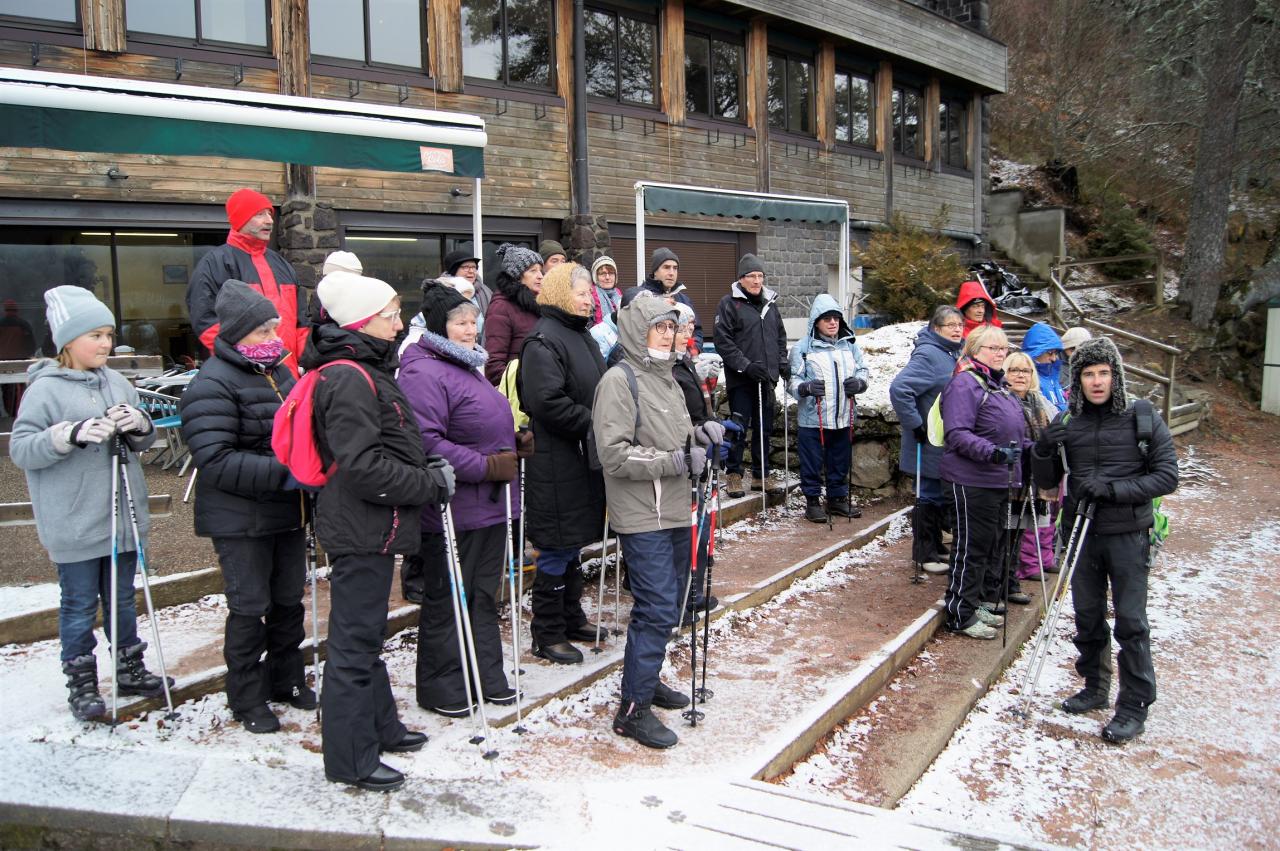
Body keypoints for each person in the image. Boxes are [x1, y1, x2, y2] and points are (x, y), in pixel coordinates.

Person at [304, 272, 451, 792]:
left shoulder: (368, 367)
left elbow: (388, 443)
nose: (398, 321)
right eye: (390, 313)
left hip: (375, 525)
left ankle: (381, 726)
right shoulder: (348, 376)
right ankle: (350, 757)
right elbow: (363, 466)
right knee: (352, 644)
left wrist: (423, 459)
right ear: (362, 321)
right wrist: (428, 481)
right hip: (360, 527)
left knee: (367, 636)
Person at [11, 286, 169, 721]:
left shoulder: (118, 382)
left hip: (121, 519)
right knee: (79, 603)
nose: (105, 344)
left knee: (122, 597)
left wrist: (139, 423)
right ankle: (81, 680)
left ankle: (129, 666)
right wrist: (67, 435)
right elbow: (22, 449)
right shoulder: (44, 390)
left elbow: (143, 442)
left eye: (108, 335)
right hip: (75, 521)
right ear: (68, 340)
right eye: (95, 335)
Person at [179, 281, 311, 733]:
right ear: (237, 335)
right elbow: (214, 459)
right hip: (241, 518)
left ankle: (287, 680)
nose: (273, 339)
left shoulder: (280, 372)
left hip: (288, 511)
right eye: (262, 332)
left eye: (275, 329)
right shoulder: (212, 383)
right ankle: (247, 696)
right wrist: (286, 471)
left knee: (289, 601)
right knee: (250, 605)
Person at [1031, 337, 1177, 743]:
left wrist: (1114, 490)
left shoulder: (1142, 418)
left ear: (1116, 376)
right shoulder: (1067, 422)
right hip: (1081, 532)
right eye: (1088, 374)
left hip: (1128, 533)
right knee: (1088, 617)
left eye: (1104, 373)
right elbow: (1045, 482)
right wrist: (1043, 452)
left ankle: (1133, 705)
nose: (1097, 382)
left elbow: (1167, 476)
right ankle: (1094, 686)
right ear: (1077, 380)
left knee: (1131, 622)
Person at [594, 296, 719, 749]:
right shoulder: (619, 380)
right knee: (658, 605)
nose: (669, 334)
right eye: (658, 327)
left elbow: (676, 439)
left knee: (672, 600)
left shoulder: (666, 377)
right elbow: (612, 453)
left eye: (672, 327)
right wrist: (677, 459)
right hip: (641, 511)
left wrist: (699, 435)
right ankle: (633, 711)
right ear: (635, 331)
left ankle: (646, 682)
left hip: (672, 505)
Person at [399, 280, 527, 716]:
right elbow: (428, 442)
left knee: (483, 595)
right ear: (439, 325)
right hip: (455, 506)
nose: (470, 329)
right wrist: (487, 466)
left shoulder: (467, 365)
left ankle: (485, 673)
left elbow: (477, 422)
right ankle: (442, 684)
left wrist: (513, 439)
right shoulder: (423, 371)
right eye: (460, 322)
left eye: (474, 321)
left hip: (489, 504)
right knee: (450, 597)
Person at [517, 263, 608, 665]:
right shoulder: (543, 340)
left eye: (590, 292)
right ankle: (547, 633)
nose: (590, 298)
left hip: (579, 459)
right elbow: (546, 402)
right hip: (555, 462)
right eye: (582, 292)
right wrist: (597, 422)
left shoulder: (578, 333)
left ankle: (572, 618)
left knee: (571, 545)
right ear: (557, 293)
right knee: (555, 548)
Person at [939, 325, 1030, 640]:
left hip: (996, 479)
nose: (1000, 353)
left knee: (988, 546)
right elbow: (957, 434)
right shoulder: (965, 384)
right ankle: (958, 614)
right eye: (993, 348)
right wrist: (993, 453)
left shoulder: (997, 384)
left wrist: (1036, 449)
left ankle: (973, 603)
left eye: (1004, 348)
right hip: (971, 479)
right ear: (975, 350)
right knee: (971, 547)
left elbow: (1017, 432)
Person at [187, 188, 308, 376]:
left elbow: (301, 322)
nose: (269, 220)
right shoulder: (215, 264)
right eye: (259, 214)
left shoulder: (282, 264)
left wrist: (307, 360)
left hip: (288, 376)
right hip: (241, 376)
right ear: (240, 219)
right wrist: (242, 360)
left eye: (269, 214)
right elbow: (206, 321)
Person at [889, 305, 965, 573]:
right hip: (928, 441)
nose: (957, 329)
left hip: (943, 440)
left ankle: (936, 546)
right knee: (929, 494)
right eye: (950, 325)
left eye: (959, 325)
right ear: (936, 329)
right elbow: (900, 389)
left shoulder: (952, 353)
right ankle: (924, 553)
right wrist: (916, 424)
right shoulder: (929, 354)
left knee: (939, 494)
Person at [787, 294, 868, 523]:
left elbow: (863, 370)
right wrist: (806, 387)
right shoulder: (803, 348)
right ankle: (812, 502)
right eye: (827, 319)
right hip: (814, 418)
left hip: (842, 415)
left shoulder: (850, 345)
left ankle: (837, 499)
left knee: (840, 460)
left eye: (836, 318)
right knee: (812, 461)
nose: (833, 323)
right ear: (816, 322)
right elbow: (792, 381)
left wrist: (860, 383)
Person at [713, 254, 788, 499]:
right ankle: (734, 475)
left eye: (760, 276)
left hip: (766, 379)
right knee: (738, 428)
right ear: (741, 279)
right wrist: (745, 366)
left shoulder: (770, 304)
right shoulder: (729, 304)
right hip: (741, 379)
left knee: (764, 429)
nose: (757, 281)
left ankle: (761, 474)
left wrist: (781, 363)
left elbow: (780, 338)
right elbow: (724, 342)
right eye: (751, 276)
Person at [671, 302, 722, 617]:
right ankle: (682, 597)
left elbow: (700, 404)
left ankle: (693, 591)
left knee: (700, 527)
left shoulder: (687, 361)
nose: (688, 332)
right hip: (682, 454)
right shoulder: (672, 367)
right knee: (689, 531)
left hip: (698, 447)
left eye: (690, 327)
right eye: (681, 327)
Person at [1003, 350, 1059, 581]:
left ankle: (1032, 564)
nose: (1020, 375)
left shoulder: (1038, 400)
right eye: (1014, 370)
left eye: (1025, 370)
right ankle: (1017, 571)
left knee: (1034, 520)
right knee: (1013, 526)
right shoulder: (1003, 398)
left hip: (1036, 471)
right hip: (1014, 471)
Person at [484, 244, 543, 385]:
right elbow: (494, 366)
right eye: (533, 271)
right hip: (520, 396)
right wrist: (526, 385)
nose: (540, 276)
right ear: (516, 276)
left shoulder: (538, 304)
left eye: (541, 271)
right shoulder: (501, 307)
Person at [622, 248, 703, 346]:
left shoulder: (684, 300)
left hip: (682, 359)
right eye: (666, 267)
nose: (671, 273)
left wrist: (691, 348)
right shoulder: (640, 296)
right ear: (655, 271)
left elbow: (696, 331)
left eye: (675, 268)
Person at [0, 298, 36, 416]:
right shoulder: (23, 325)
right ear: (16, 310)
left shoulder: (1, 323)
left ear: (5, 310)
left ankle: (6, 414)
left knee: (6, 391)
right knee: (18, 392)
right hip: (20, 364)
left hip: (2, 363)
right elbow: (31, 345)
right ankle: (17, 415)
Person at [1021, 322, 1067, 413]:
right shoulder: (1028, 381)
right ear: (1036, 352)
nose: (1054, 358)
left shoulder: (1053, 375)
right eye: (1050, 353)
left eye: (1055, 353)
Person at [442, 246, 493, 319]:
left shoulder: (485, 291)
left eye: (474, 267)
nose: (471, 271)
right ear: (453, 271)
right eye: (466, 267)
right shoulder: (441, 291)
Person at [590, 256, 622, 326]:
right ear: (595, 277)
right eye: (603, 274)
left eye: (611, 273)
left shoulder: (618, 293)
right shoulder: (590, 294)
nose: (607, 277)